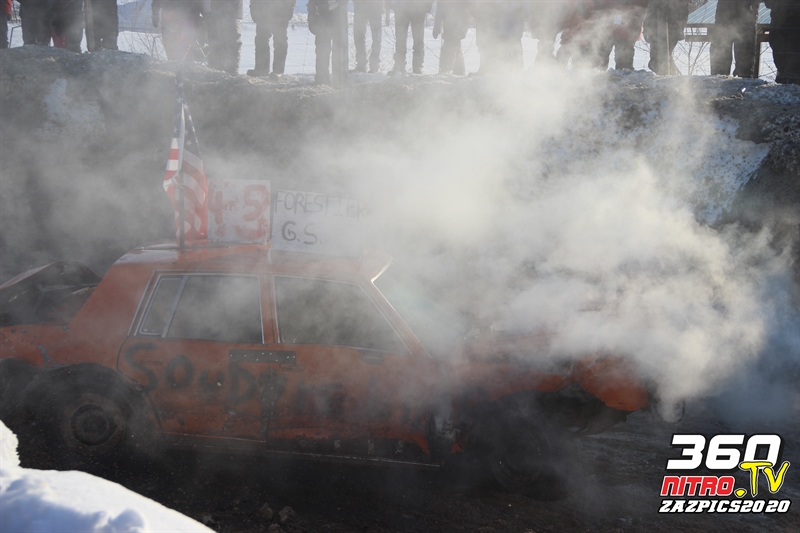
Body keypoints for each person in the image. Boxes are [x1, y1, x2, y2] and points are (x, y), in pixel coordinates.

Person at [710, 0, 758, 78]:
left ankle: (742, 81)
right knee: (720, 60)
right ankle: (719, 81)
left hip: (745, 16)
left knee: (744, 66)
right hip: (726, 16)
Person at [248, 0, 295, 77]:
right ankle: (261, 70)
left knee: (280, 41)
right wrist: (253, 9)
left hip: (281, 12)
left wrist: (288, 10)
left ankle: (278, 71)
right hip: (262, 12)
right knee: (261, 40)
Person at [643, 0, 689, 74]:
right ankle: (671, 75)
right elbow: (650, 10)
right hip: (655, 29)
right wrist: (646, 28)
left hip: (672, 28)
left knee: (661, 58)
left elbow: (683, 11)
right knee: (656, 60)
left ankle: (670, 75)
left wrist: (679, 27)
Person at [308, 0, 344, 84]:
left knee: (338, 50)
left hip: (336, 14)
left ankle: (338, 79)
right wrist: (312, 15)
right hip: (321, 16)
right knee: (322, 50)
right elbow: (312, 3)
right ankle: (322, 79)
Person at [764, 0, 800, 84]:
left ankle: (792, 80)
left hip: (795, 21)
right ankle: (783, 78)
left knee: (793, 54)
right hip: (778, 20)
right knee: (779, 52)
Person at [391, 0, 432, 74]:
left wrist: (427, 5)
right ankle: (399, 65)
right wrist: (394, 5)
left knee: (418, 39)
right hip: (402, 7)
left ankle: (417, 67)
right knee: (400, 39)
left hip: (419, 8)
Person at [433, 0, 471, 75]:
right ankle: (459, 71)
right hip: (448, 24)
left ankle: (446, 69)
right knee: (455, 46)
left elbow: (468, 10)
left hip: (458, 23)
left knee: (450, 45)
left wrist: (463, 29)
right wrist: (437, 25)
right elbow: (440, 8)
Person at [206, 0, 243, 74]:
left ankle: (232, 70)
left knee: (233, 43)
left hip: (231, 14)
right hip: (219, 14)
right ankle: (223, 68)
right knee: (222, 43)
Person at [352, 0, 384, 73]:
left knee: (376, 37)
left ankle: (374, 66)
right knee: (358, 36)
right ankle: (361, 65)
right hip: (360, 5)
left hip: (375, 5)